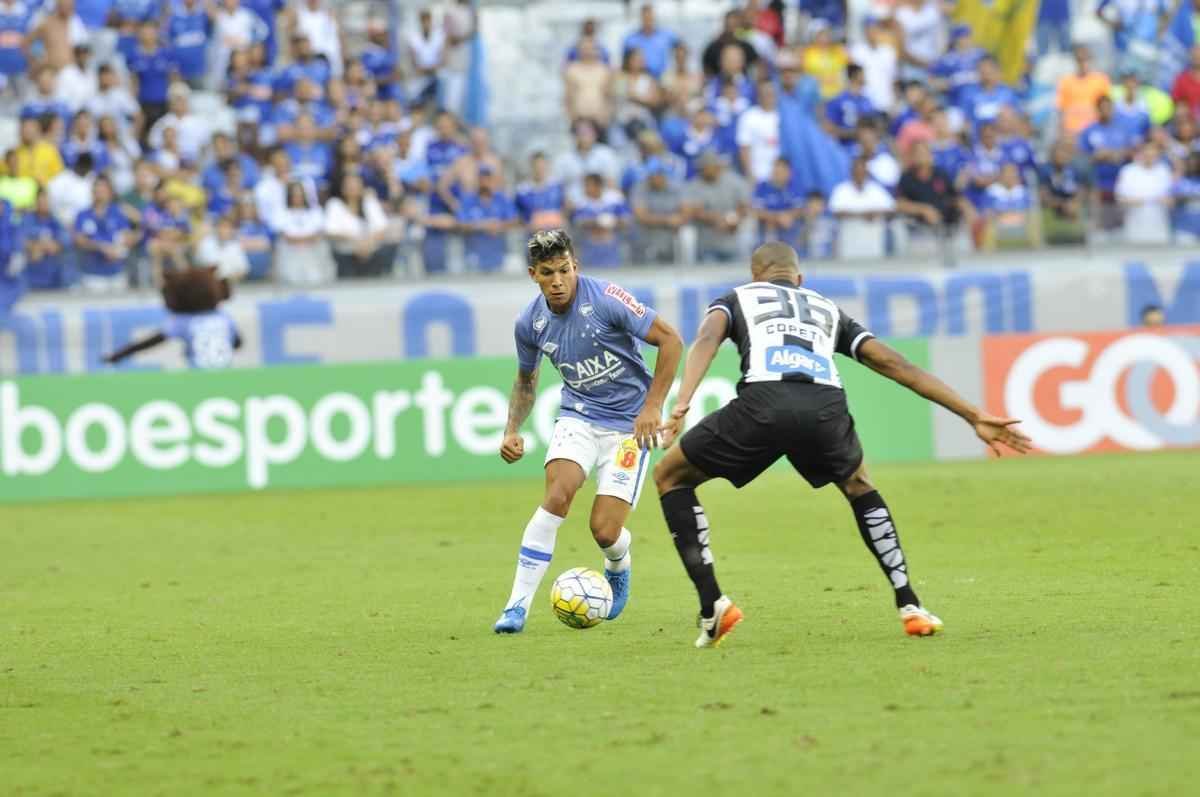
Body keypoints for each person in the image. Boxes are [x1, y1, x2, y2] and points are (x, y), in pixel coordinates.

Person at [651, 241, 1031, 648]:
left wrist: (683, 400)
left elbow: (708, 337)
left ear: (755, 274)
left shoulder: (737, 297)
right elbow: (895, 364)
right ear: (800, 279)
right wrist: (972, 414)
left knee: (670, 476)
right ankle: (910, 604)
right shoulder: (827, 309)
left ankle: (713, 606)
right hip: (824, 407)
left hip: (764, 402)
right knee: (860, 485)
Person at [492, 228, 683, 634]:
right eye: (548, 272)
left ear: (575, 266)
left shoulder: (607, 300)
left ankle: (618, 562)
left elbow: (670, 340)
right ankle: (515, 607)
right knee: (557, 496)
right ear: (533, 275)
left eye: (564, 270)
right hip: (578, 416)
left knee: (604, 530)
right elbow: (526, 380)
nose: (558, 280)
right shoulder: (530, 323)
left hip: (630, 428)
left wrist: (652, 406)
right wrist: (512, 428)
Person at [103, 267, 241, 369]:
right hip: (225, 373)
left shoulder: (185, 321)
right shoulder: (223, 317)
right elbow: (237, 343)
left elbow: (151, 341)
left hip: (199, 374)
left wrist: (119, 355)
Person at [324, 171, 394, 278]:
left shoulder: (369, 202)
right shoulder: (335, 204)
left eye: (356, 185)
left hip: (371, 251)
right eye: (349, 186)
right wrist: (356, 242)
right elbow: (331, 231)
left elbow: (382, 227)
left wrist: (367, 243)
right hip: (345, 253)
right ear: (343, 188)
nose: (353, 188)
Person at [73, 175, 136, 293]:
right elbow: (79, 240)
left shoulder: (118, 212)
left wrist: (118, 249)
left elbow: (128, 237)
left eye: (103, 190)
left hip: (117, 272)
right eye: (97, 189)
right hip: (93, 274)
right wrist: (101, 247)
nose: (100, 193)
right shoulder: (83, 214)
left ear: (110, 192)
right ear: (92, 192)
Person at [684, 151, 749, 263]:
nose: (706, 170)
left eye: (710, 166)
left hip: (732, 242)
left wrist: (732, 219)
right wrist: (717, 219)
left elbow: (744, 206)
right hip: (707, 245)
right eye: (704, 167)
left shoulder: (734, 181)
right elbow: (692, 211)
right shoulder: (694, 185)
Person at [830, 156, 895, 259]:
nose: (860, 173)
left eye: (862, 170)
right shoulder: (842, 190)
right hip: (849, 240)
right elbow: (836, 212)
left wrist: (875, 213)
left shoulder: (876, 190)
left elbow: (891, 209)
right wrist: (861, 215)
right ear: (852, 171)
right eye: (857, 170)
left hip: (873, 241)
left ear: (867, 172)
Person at [457, 166, 517, 272]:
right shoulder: (468, 200)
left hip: (499, 252)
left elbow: (514, 220)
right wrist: (483, 225)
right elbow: (461, 224)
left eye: (487, 179)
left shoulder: (501, 199)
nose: (484, 182)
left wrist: (498, 225)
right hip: (474, 254)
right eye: (482, 179)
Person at [276, 179, 332, 285]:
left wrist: (303, 240)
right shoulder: (282, 213)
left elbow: (318, 234)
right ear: (289, 196)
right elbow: (285, 236)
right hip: (290, 251)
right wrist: (302, 240)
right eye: (295, 195)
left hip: (313, 251)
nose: (298, 198)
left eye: (300, 194)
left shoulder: (315, 212)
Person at [1115, 140, 1172, 245]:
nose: (1150, 157)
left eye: (1153, 154)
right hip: (1135, 224)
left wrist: (1167, 200)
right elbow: (1119, 198)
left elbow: (1171, 198)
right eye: (1147, 153)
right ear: (1140, 153)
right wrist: (1132, 201)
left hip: (1159, 224)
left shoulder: (1164, 170)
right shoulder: (1128, 171)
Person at [569, 173, 631, 269]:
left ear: (598, 186)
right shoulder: (581, 202)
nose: (585, 189)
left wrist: (612, 221)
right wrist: (598, 221)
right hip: (589, 241)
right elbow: (578, 222)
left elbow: (626, 220)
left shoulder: (615, 198)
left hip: (613, 239)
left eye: (588, 185)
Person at [630, 158, 686, 264]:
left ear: (663, 175)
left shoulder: (676, 188)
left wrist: (679, 219)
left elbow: (685, 211)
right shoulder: (640, 187)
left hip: (671, 241)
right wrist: (667, 220)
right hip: (646, 240)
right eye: (650, 175)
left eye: (655, 175)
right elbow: (641, 216)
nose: (652, 178)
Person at [982, 162, 1042, 250]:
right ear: (1001, 175)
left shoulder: (1023, 191)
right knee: (988, 222)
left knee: (1034, 217)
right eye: (1007, 173)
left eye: (1013, 173)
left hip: (1021, 220)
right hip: (999, 221)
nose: (1011, 176)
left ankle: (1036, 251)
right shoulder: (992, 191)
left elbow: (1029, 209)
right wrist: (1002, 216)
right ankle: (988, 255)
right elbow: (987, 211)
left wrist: (1017, 215)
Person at [22, 188, 72, 291]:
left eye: (46, 201)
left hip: (54, 276)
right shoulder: (27, 219)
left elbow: (62, 243)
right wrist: (34, 246)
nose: (43, 204)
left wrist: (39, 247)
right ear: (35, 202)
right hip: (31, 276)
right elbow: (19, 239)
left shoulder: (56, 221)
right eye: (40, 201)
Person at [751, 157, 806, 252]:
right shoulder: (762, 187)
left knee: (796, 224)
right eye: (776, 171)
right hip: (766, 225)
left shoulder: (796, 186)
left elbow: (800, 208)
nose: (778, 174)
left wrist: (788, 216)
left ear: (789, 172)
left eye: (781, 172)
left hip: (789, 225)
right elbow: (756, 210)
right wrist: (776, 218)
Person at [1057, 45, 1112, 136]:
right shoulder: (1066, 82)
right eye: (1079, 59)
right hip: (1072, 131)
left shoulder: (1101, 80)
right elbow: (1061, 110)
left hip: (1094, 131)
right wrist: (1063, 132)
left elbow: (1107, 107)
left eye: (1086, 59)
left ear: (1091, 60)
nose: (1083, 63)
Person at [849, 15, 897, 114]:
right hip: (864, 102)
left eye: (875, 29)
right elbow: (853, 79)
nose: (872, 33)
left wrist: (894, 101)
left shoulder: (888, 51)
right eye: (869, 29)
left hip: (886, 101)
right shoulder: (856, 51)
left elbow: (893, 78)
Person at [563, 37, 614, 128]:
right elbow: (568, 96)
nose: (588, 52)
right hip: (580, 118)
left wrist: (606, 115)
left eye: (591, 48)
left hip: (599, 118)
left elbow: (608, 95)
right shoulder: (572, 70)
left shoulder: (604, 70)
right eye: (585, 49)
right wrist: (572, 116)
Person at [737, 79, 781, 183]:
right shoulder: (749, 116)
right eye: (765, 93)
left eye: (771, 93)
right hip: (758, 175)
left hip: (780, 176)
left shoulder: (783, 116)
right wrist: (750, 174)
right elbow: (744, 148)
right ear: (759, 95)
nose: (768, 96)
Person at [825, 64, 876, 147]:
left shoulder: (867, 101)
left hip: (864, 148)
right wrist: (853, 133)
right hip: (844, 148)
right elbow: (829, 129)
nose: (865, 77)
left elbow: (873, 125)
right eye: (862, 74)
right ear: (855, 76)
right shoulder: (839, 100)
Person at [622, 3, 677, 80]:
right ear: (641, 17)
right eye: (645, 17)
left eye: (650, 17)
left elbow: (681, 51)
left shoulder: (667, 36)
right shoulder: (630, 39)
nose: (648, 20)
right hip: (640, 79)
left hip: (662, 78)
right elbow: (624, 65)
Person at [514, 152, 566, 233]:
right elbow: (518, 215)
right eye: (536, 167)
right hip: (533, 236)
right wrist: (527, 224)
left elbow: (564, 207)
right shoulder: (522, 191)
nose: (539, 170)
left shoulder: (557, 186)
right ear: (531, 167)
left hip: (555, 235)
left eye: (542, 166)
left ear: (547, 166)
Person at [194, 213, 250, 283]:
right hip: (209, 284)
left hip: (230, 284)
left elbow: (243, 271)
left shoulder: (236, 246)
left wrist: (229, 279)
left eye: (227, 227)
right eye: (221, 226)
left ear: (231, 230)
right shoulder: (206, 243)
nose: (224, 230)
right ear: (216, 228)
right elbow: (199, 266)